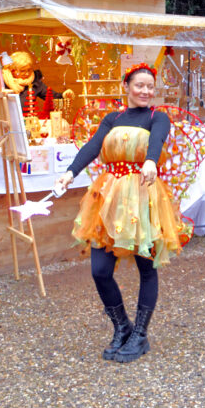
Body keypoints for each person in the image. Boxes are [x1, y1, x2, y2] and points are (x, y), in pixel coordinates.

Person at [56, 63, 186, 363]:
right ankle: (122, 327)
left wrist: (151, 160)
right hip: (110, 199)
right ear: (126, 86)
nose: (145, 91)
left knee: (146, 268)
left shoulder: (157, 117)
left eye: (150, 87)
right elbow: (93, 147)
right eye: (139, 85)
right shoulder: (112, 118)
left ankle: (140, 335)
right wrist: (70, 173)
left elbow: (158, 139)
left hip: (143, 196)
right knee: (100, 270)